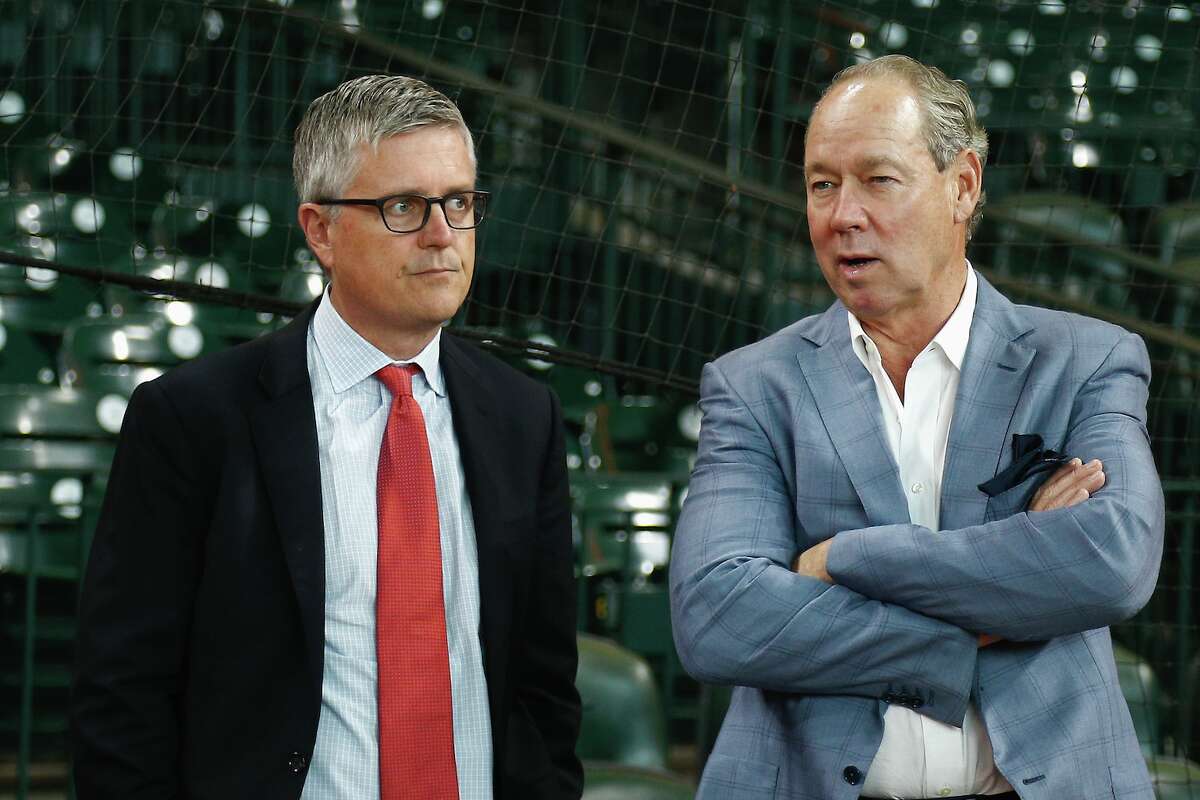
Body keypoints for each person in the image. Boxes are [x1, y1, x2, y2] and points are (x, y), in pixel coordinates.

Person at [71, 75, 582, 800]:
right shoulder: (193, 420)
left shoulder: (525, 418)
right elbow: (121, 696)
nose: (442, 236)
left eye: (460, 203)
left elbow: (544, 691)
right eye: (404, 207)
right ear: (320, 230)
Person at [670, 55, 1163, 800]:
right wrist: (981, 619)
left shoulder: (1086, 361)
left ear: (962, 185)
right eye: (822, 185)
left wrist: (841, 559)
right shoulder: (753, 385)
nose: (843, 216)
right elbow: (718, 616)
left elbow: (1113, 559)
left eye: (878, 180)